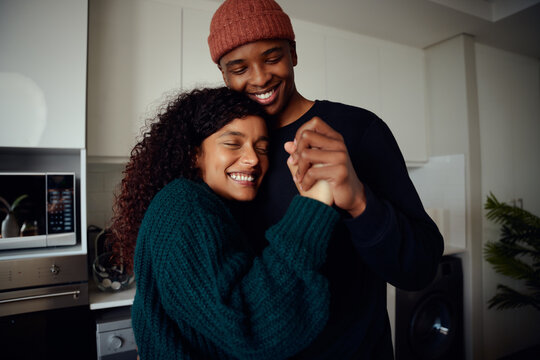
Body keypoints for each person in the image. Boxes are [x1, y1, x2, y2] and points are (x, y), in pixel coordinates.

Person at [207, 0, 445, 358]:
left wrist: (359, 201)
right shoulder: (220, 153)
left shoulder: (358, 131)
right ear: (224, 76)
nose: (259, 78)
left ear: (294, 54)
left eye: (272, 57)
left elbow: (420, 268)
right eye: (239, 67)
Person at [109, 87, 340, 359]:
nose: (253, 159)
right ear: (194, 154)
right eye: (233, 143)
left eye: (262, 147)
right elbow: (254, 328)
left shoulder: (208, 206)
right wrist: (314, 203)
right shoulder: (183, 206)